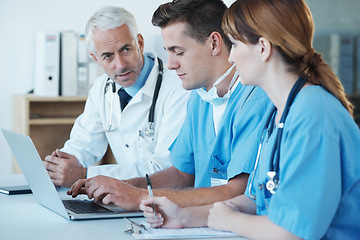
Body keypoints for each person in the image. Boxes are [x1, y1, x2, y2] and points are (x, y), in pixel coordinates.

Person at [140, 0, 360, 239]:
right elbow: (254, 199)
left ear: (263, 48)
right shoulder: (278, 114)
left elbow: (291, 232)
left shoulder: (314, 114)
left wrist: (231, 220)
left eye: (234, 45)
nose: (231, 57)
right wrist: (182, 217)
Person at [68, 0, 271, 211]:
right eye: (168, 51)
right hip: (202, 221)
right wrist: (120, 187)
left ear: (214, 43)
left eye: (178, 52)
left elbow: (239, 192)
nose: (171, 63)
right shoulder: (199, 98)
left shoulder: (254, 98)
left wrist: (139, 197)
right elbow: (180, 174)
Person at [42, 6, 190, 188]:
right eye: (107, 56)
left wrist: (85, 175)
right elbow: (83, 147)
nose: (120, 65)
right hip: (128, 199)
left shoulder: (179, 87)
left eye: (126, 49)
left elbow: (165, 169)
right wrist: (58, 167)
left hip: (169, 201)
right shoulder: (100, 89)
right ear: (95, 59)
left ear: (140, 43)